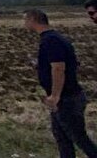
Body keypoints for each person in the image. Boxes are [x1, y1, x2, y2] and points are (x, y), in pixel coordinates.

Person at [25, 9, 97, 158]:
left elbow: (58, 68)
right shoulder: (53, 38)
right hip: (63, 98)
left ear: (33, 19)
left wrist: (55, 95)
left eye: (25, 20)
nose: (25, 24)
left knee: (80, 139)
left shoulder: (51, 40)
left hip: (66, 98)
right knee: (62, 139)